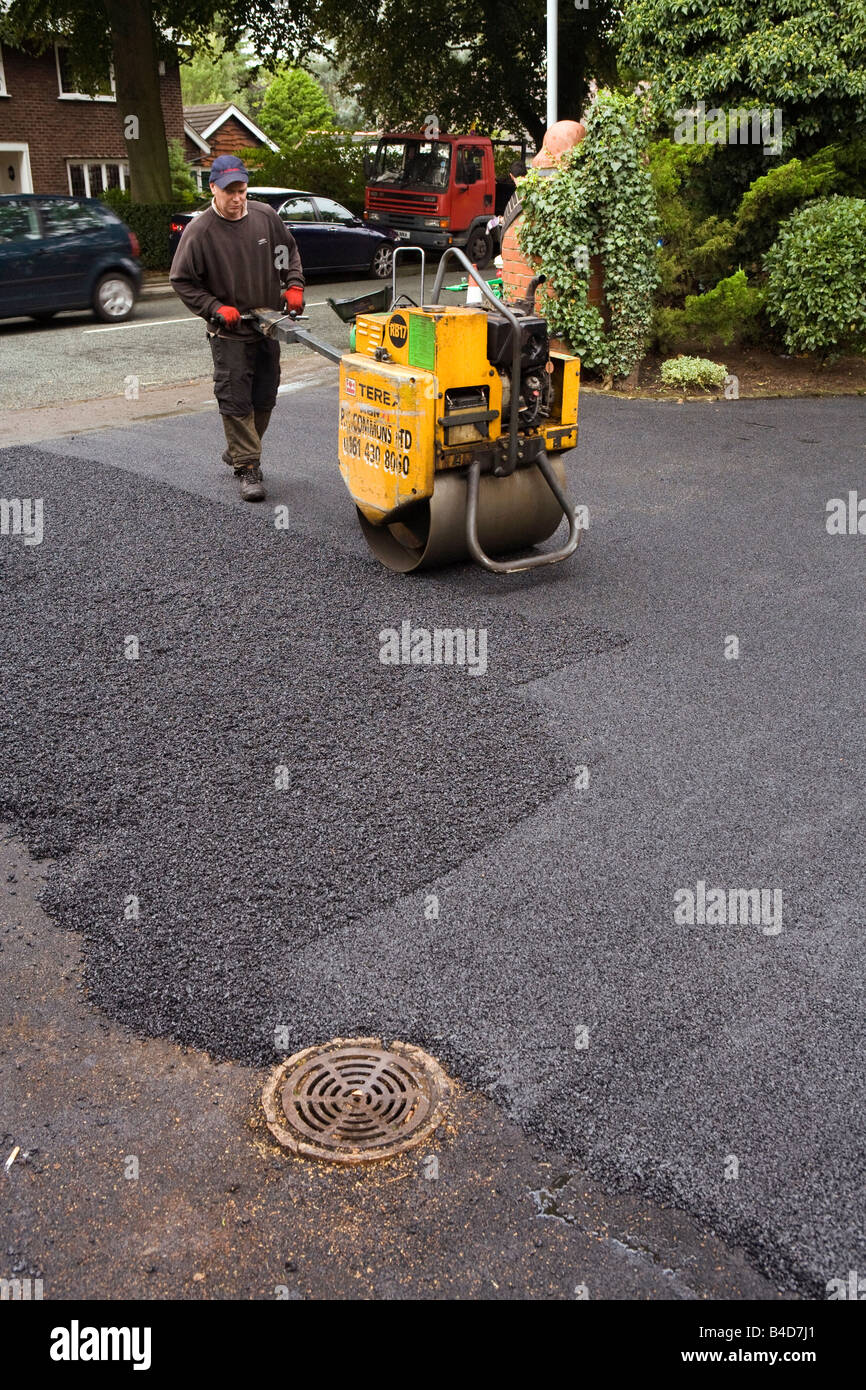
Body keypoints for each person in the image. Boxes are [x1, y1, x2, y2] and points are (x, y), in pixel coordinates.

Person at [170, 155, 305, 502]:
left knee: (265, 396)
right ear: (212, 188)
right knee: (235, 397)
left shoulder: (265, 217)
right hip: (228, 331)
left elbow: (287, 251)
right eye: (229, 191)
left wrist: (294, 284)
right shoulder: (200, 232)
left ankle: (238, 449)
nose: (237, 198)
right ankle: (248, 467)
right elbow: (182, 280)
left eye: (241, 190)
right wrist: (215, 308)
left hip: (267, 325)